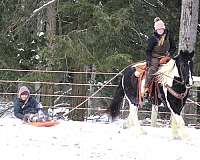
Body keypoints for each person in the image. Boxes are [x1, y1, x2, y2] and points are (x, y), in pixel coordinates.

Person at [143, 17, 176, 96]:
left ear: (164, 29)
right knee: (153, 69)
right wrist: (148, 60)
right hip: (155, 57)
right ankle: (146, 87)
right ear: (156, 30)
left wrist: (169, 54)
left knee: (174, 67)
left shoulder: (169, 36)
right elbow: (148, 51)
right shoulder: (153, 39)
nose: (160, 31)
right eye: (158, 30)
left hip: (165, 56)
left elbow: (173, 48)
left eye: (161, 29)